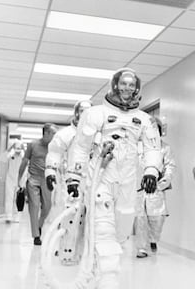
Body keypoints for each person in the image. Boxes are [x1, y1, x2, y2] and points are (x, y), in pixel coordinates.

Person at [65, 68, 162, 289]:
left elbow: (152, 148)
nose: (127, 88)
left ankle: (101, 262)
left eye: (131, 85)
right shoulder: (95, 114)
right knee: (103, 228)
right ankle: (108, 279)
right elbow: (80, 147)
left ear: (136, 89)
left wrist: (151, 171)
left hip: (128, 180)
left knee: (122, 229)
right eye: (123, 83)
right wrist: (74, 177)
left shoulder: (144, 119)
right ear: (115, 85)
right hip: (102, 176)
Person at [44, 100, 92, 223]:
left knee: (92, 222)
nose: (85, 114)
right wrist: (50, 171)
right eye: (82, 111)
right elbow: (54, 153)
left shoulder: (97, 134)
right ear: (76, 113)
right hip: (71, 181)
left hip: (93, 182)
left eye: (88, 111)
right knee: (71, 217)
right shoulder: (65, 134)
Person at [135, 117, 176, 258]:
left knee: (157, 219)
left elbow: (170, 167)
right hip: (140, 189)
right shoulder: (139, 147)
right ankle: (142, 248)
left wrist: (162, 183)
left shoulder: (165, 148)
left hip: (157, 189)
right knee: (141, 219)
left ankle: (153, 239)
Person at [18, 123, 58, 246]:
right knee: (34, 207)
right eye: (53, 133)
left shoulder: (55, 147)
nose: (55, 136)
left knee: (47, 207)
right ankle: (36, 236)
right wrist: (19, 179)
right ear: (46, 133)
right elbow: (25, 161)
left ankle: (39, 226)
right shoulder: (33, 144)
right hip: (33, 179)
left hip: (47, 179)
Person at [2, 139, 24, 223]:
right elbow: (3, 159)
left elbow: (27, 161)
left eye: (19, 147)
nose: (18, 149)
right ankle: (8, 216)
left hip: (20, 179)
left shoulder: (23, 155)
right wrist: (10, 149)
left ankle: (17, 216)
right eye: (16, 147)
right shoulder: (11, 154)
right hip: (10, 179)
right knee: (9, 197)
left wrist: (23, 150)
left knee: (18, 199)